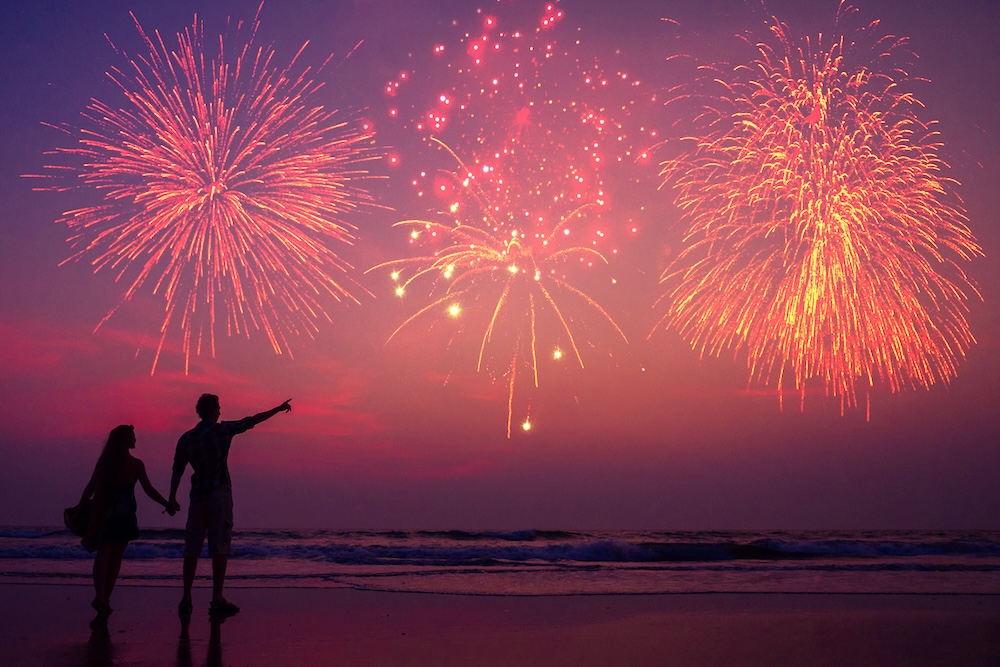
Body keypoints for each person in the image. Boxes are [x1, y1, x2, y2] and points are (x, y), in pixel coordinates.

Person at [169, 394, 291, 618]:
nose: (221, 411)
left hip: (197, 496)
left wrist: (172, 497)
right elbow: (253, 420)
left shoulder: (186, 438)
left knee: (192, 547)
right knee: (220, 545)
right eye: (219, 408)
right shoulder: (222, 430)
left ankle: (186, 597)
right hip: (219, 493)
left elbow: (177, 469)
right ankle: (216, 598)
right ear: (214, 410)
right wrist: (278, 408)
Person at [78, 424, 179, 621]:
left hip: (105, 513)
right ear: (126, 440)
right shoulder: (135, 464)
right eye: (133, 437)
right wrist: (167, 504)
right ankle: (104, 599)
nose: (136, 439)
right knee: (115, 559)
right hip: (124, 515)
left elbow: (91, 485)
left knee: (104, 555)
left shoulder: (105, 462)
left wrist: (82, 506)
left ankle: (101, 598)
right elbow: (149, 490)